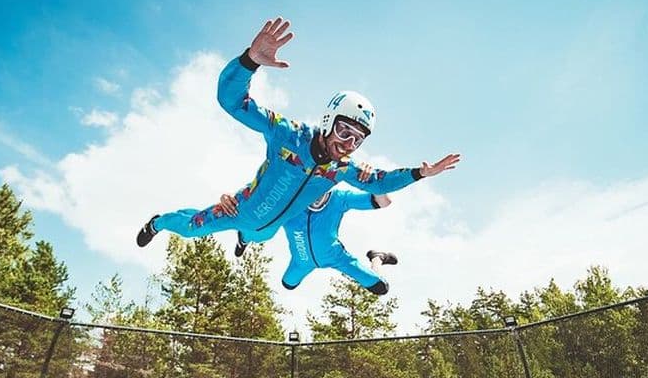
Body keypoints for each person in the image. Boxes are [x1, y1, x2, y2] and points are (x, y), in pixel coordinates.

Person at [136, 17, 461, 248]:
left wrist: (420, 173)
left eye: (357, 139)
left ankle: (245, 239)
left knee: (257, 236)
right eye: (344, 130)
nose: (347, 144)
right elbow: (232, 102)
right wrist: (249, 62)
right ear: (327, 120)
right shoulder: (288, 133)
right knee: (191, 229)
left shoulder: (342, 169)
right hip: (240, 209)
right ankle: (158, 222)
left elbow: (381, 181)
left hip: (266, 229)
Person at [219, 188, 399, 295]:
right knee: (288, 284)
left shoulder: (339, 198)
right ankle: (243, 238)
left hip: (335, 257)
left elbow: (384, 201)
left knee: (381, 288)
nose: (316, 197)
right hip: (301, 261)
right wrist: (230, 196)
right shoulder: (290, 199)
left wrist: (375, 183)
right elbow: (256, 193)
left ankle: (377, 258)